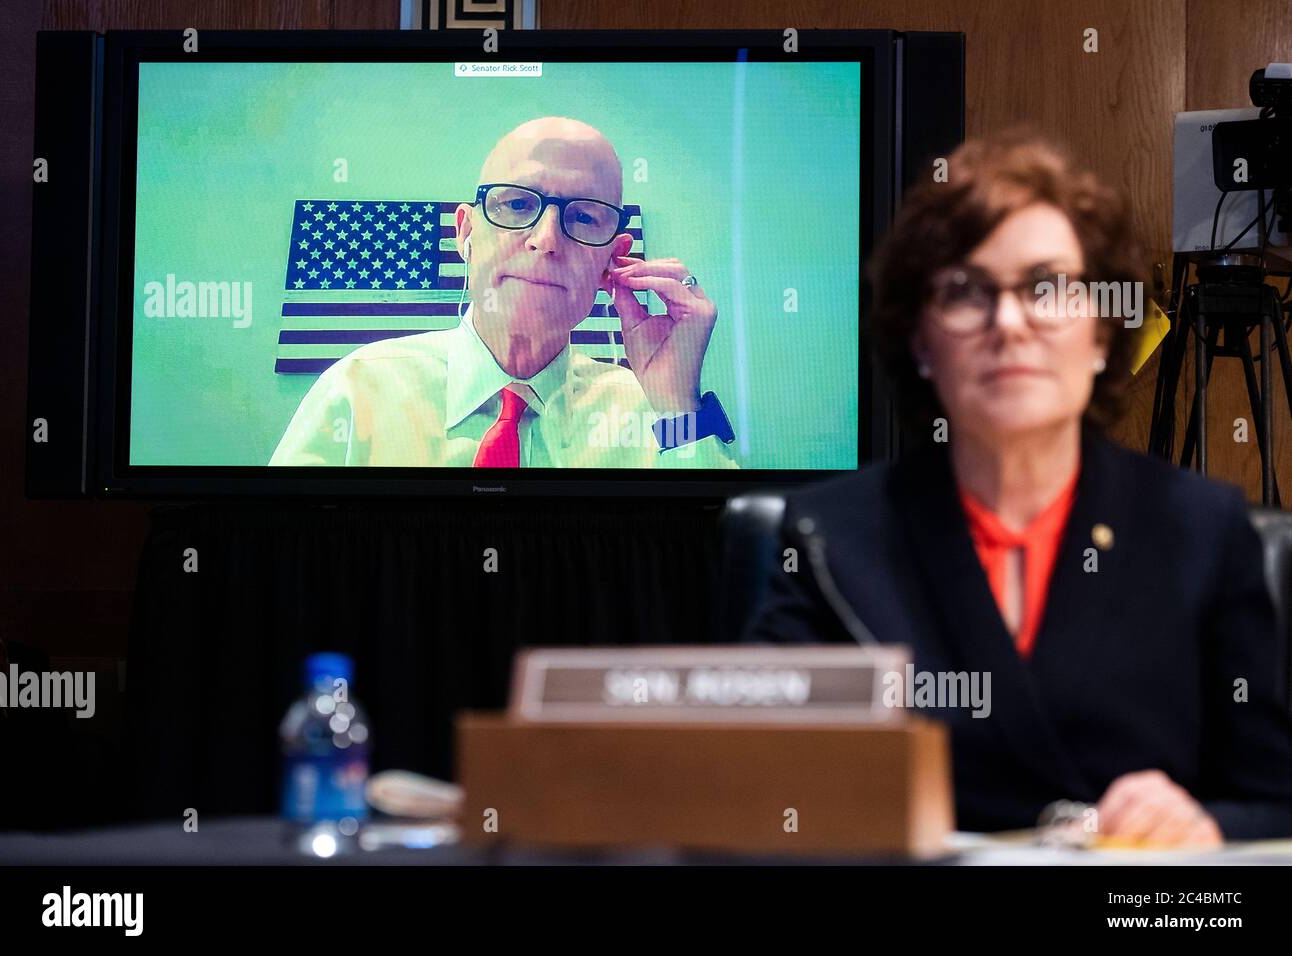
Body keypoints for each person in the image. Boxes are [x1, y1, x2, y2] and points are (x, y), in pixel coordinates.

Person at [747, 129, 1292, 845]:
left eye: (1047, 287)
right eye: (965, 292)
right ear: (918, 340)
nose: (1009, 323)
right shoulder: (827, 538)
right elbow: (761, 798)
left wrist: (1201, 825)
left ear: (1100, 332)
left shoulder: (1202, 528)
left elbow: (1275, 802)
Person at [270, 116, 737, 468]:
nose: (546, 239)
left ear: (609, 262)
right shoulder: (356, 391)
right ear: (466, 233)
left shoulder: (656, 417)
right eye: (516, 204)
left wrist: (678, 404)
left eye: (582, 217)